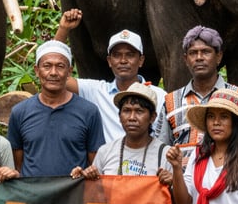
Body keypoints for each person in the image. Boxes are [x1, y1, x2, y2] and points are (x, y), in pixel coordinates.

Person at [55, 10, 165, 141]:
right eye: (117, 55)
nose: (123, 60)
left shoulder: (159, 96)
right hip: (108, 160)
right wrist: (63, 29)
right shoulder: (97, 91)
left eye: (130, 55)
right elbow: (57, 76)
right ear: (109, 61)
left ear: (140, 60)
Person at [154, 26, 238, 160]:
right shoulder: (171, 102)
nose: (199, 58)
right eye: (193, 53)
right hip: (181, 179)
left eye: (206, 52)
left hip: (228, 178)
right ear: (185, 60)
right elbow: (161, 151)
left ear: (218, 57)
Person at [7, 40, 104, 178]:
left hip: (73, 194)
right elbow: (17, 163)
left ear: (69, 71)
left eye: (60, 66)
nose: (53, 73)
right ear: (37, 70)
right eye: (47, 66)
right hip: (33, 195)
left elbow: (95, 163)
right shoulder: (20, 112)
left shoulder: (89, 111)